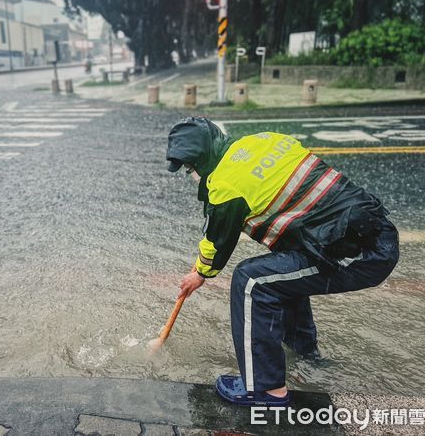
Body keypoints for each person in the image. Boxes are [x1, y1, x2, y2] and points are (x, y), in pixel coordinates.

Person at [166, 117, 399, 407]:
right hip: (372, 232)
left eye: (190, 169)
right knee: (281, 272)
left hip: (354, 251)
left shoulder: (226, 184)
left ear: (200, 161)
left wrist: (199, 274)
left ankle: (264, 389)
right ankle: (306, 358)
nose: (192, 176)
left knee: (251, 281)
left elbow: (217, 242)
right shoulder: (263, 139)